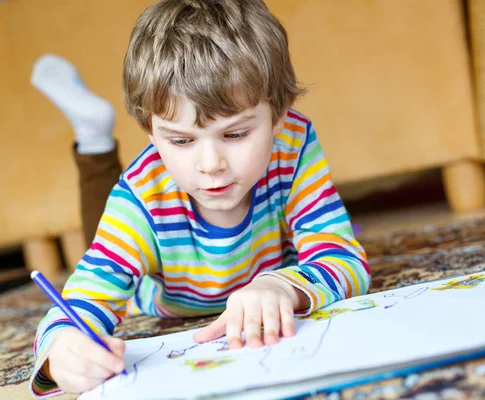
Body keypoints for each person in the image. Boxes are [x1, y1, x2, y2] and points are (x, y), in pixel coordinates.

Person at [29, 0, 370, 397]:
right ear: (151, 132)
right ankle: (94, 141)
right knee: (101, 229)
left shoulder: (293, 144)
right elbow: (84, 297)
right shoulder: (140, 195)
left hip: (259, 267)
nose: (211, 165)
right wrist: (62, 350)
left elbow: (344, 258)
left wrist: (280, 287)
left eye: (236, 134)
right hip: (160, 292)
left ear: (278, 116)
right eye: (180, 140)